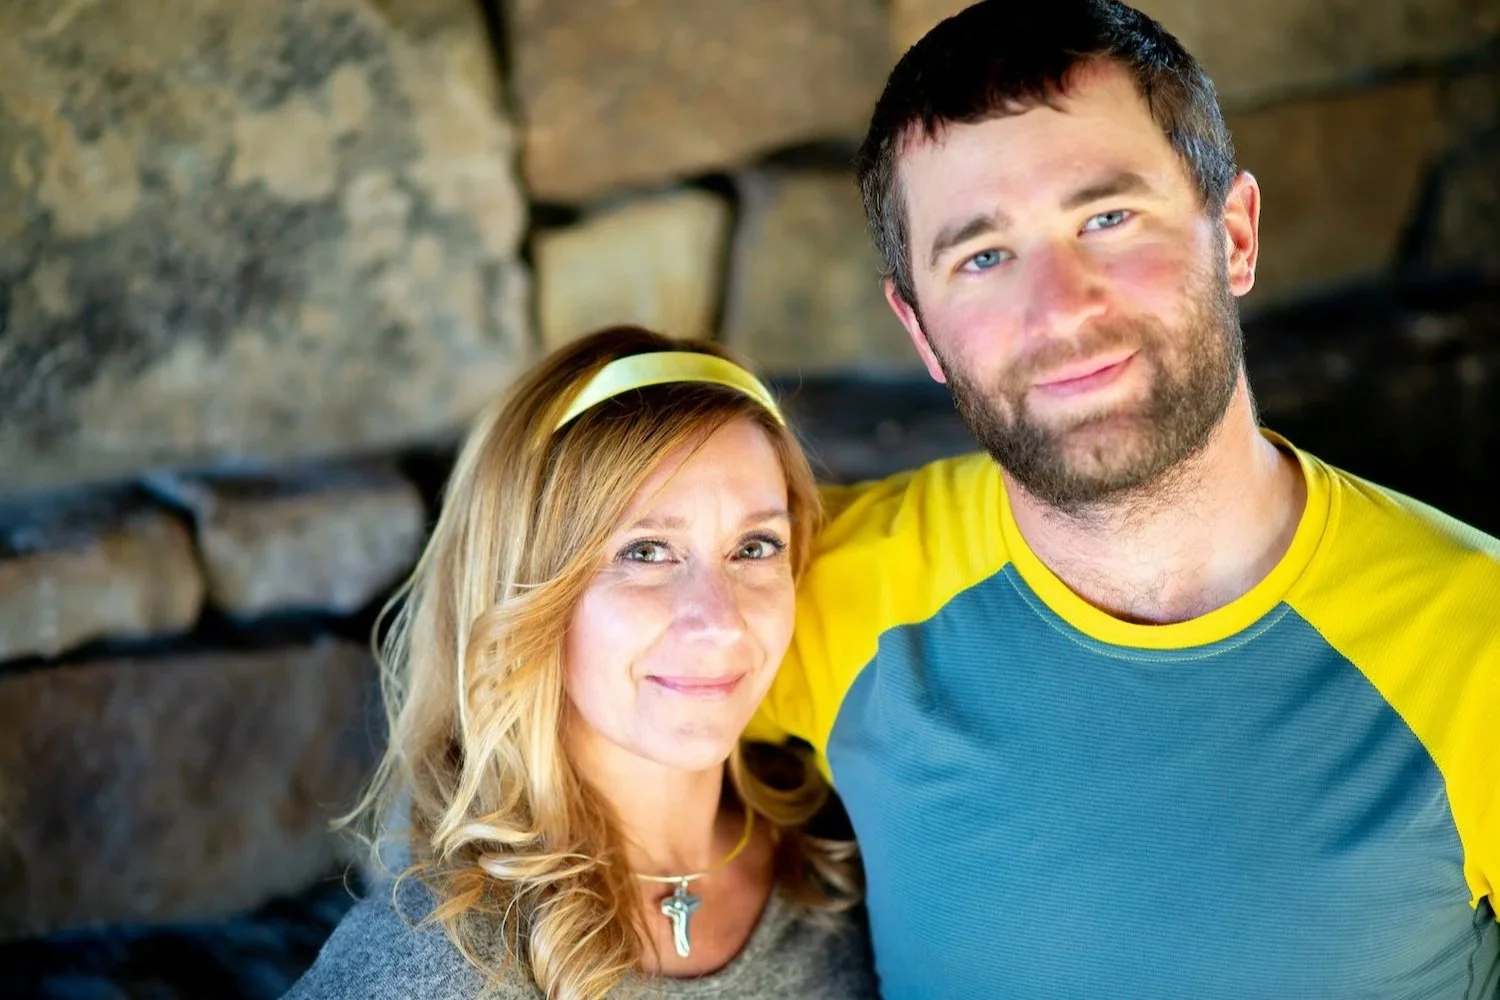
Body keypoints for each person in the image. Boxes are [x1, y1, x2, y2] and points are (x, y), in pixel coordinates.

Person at [750, 1, 1500, 996]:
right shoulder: (809, 590)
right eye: (983, 256)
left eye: (1108, 218)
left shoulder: (1477, 640)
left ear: (1233, 233)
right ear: (921, 330)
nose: (1060, 307)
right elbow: (533, 727)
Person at [285, 326, 875, 1000]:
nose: (719, 620)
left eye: (755, 546)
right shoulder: (441, 962)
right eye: (646, 552)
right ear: (523, 592)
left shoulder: (839, 850)